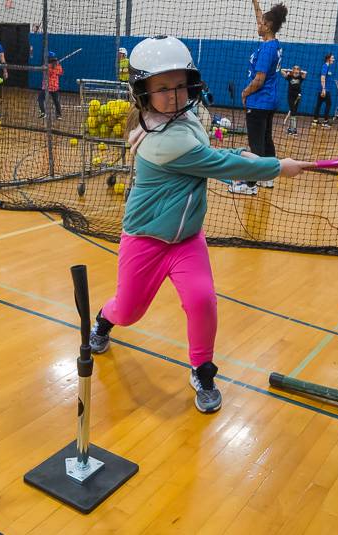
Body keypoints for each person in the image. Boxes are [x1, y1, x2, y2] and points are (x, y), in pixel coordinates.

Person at [88, 36, 310, 413]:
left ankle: (202, 370)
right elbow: (217, 165)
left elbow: (216, 155)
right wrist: (276, 166)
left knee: (202, 300)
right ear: (143, 91)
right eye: (162, 88)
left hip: (187, 239)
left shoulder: (188, 118)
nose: (173, 95)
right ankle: (103, 321)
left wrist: (241, 153)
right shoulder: (161, 141)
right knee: (129, 311)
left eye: (179, 85)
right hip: (146, 240)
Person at [229, 0, 287, 196]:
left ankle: (250, 184)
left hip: (259, 100)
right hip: (269, 101)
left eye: (261, 22)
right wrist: (255, 3)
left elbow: (259, 79)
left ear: (268, 25)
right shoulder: (273, 44)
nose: (258, 24)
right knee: (266, 139)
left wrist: (245, 92)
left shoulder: (267, 49)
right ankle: (267, 178)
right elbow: (261, 18)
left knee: (256, 144)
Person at [280, 65, 306, 136]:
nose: (296, 70)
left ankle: (291, 128)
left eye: (297, 69)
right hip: (290, 96)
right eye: (295, 69)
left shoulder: (300, 78)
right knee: (293, 111)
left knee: (294, 112)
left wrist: (299, 71)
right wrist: (290, 70)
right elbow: (281, 70)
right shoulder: (289, 77)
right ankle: (293, 129)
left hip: (298, 97)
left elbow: (305, 73)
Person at [37, 51, 63, 119]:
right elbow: (60, 73)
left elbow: (59, 73)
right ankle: (59, 115)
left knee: (40, 99)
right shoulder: (58, 66)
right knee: (56, 101)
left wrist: (54, 65)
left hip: (47, 87)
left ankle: (43, 112)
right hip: (54, 87)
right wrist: (56, 65)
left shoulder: (46, 67)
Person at [312, 53, 335, 127]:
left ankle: (315, 120)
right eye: (332, 58)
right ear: (328, 59)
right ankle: (325, 122)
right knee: (329, 104)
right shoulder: (325, 66)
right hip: (324, 90)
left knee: (319, 104)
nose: (333, 59)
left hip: (323, 89)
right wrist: (324, 89)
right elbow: (322, 77)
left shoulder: (328, 67)